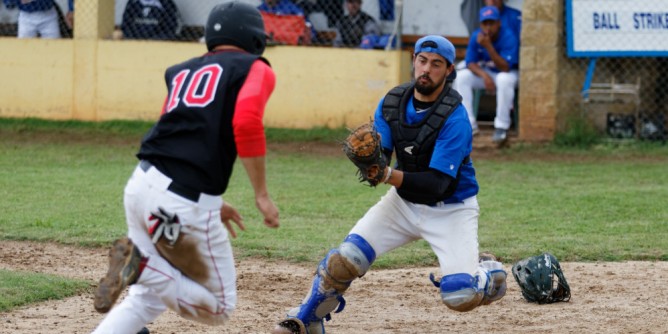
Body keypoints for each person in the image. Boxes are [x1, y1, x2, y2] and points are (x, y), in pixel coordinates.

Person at [271, 35, 507, 334]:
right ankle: (308, 319)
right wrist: (373, 165)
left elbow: (436, 184)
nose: (427, 69)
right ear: (414, 61)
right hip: (402, 204)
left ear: (448, 71)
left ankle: (488, 274)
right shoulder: (393, 102)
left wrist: (385, 175)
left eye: (436, 64)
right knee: (345, 260)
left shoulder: (455, 117)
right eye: (422, 60)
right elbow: (381, 157)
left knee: (460, 295)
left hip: (451, 209)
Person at [91, 2, 280, 333]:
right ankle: (139, 266)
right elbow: (247, 123)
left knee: (146, 299)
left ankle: (140, 269)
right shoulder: (255, 67)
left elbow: (176, 130)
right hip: (181, 202)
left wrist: (214, 201)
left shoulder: (182, 70)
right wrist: (261, 194)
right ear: (254, 37)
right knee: (219, 307)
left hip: (141, 185)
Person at [454, 5, 519, 143]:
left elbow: (505, 67)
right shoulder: (476, 36)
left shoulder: (508, 36)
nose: (488, 27)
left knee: (503, 80)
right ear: (481, 24)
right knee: (462, 76)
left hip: (507, 73)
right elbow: (470, 62)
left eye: (492, 23)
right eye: (485, 23)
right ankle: (469, 125)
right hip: (488, 74)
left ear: (498, 23)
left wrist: (488, 46)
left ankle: (502, 127)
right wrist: (485, 76)